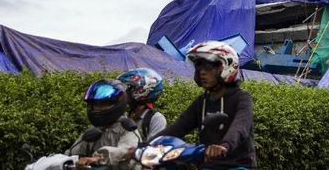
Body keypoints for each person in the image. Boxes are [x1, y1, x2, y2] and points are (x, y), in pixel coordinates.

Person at [154, 40, 256, 169]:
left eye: (208, 67)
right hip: (209, 165)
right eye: (199, 67)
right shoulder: (201, 102)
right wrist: (146, 145)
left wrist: (225, 145)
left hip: (237, 165)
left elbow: (241, 126)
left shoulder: (241, 97)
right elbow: (178, 127)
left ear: (226, 67)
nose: (202, 72)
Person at [67, 79, 141, 170]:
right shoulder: (93, 129)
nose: (98, 108)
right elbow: (73, 152)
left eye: (103, 104)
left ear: (118, 103)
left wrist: (98, 158)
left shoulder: (127, 127)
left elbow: (127, 150)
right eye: (95, 104)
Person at [117, 68, 167, 141]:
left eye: (129, 88)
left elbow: (152, 148)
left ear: (142, 91)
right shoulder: (125, 113)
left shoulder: (156, 119)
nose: (124, 92)